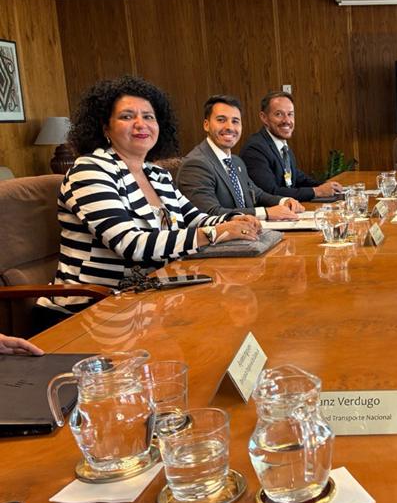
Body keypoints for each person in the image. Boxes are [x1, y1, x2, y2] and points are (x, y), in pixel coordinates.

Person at [38, 76, 259, 321]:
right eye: (126, 116)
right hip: (95, 309)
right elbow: (130, 244)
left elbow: (194, 218)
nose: (140, 124)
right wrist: (215, 233)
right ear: (104, 127)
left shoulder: (157, 174)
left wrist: (237, 219)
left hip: (153, 299)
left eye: (149, 116)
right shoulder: (89, 171)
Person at [177, 95, 303, 219]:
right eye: (221, 120)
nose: (230, 127)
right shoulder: (195, 164)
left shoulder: (236, 162)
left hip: (249, 233)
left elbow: (257, 195)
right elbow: (210, 213)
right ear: (206, 125)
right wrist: (265, 213)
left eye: (235, 121)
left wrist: (284, 201)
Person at [241, 91, 342, 201]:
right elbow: (270, 192)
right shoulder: (255, 148)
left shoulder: (281, 144)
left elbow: (295, 176)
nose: (287, 120)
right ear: (264, 118)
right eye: (279, 114)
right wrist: (316, 191)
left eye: (290, 114)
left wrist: (325, 186)